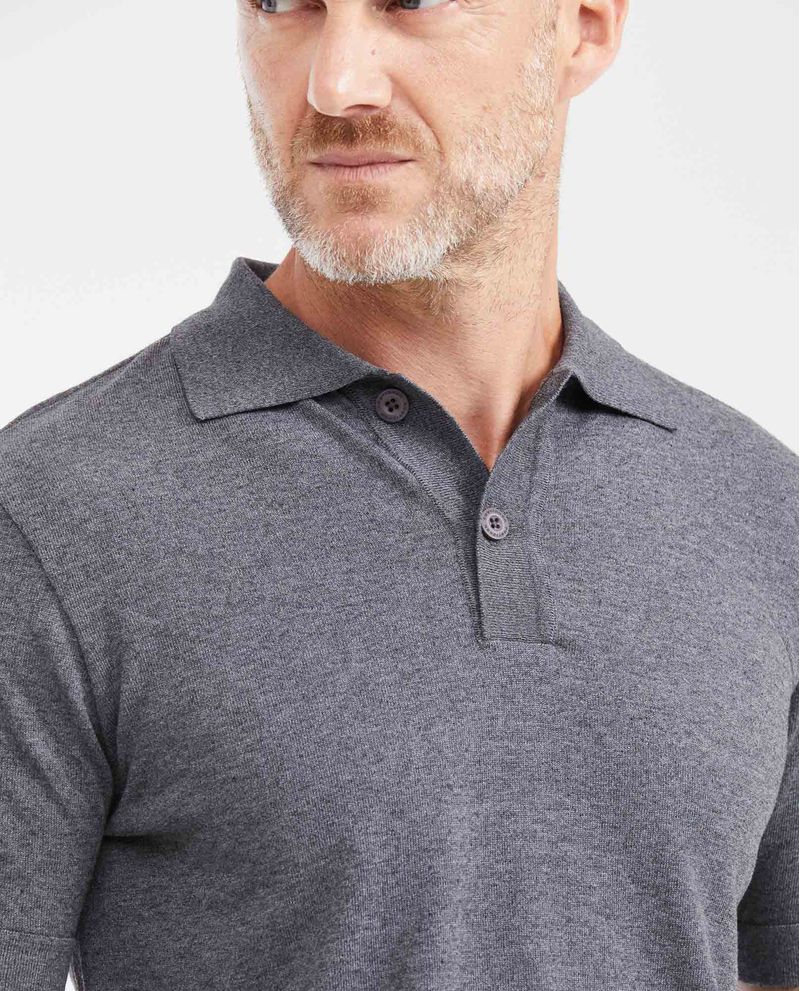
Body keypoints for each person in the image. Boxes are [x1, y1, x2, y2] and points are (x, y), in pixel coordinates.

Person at [0, 0, 796, 988]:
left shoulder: (761, 509)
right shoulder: (48, 515)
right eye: (282, 3)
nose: (336, 83)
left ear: (584, 25)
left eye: (410, 2)